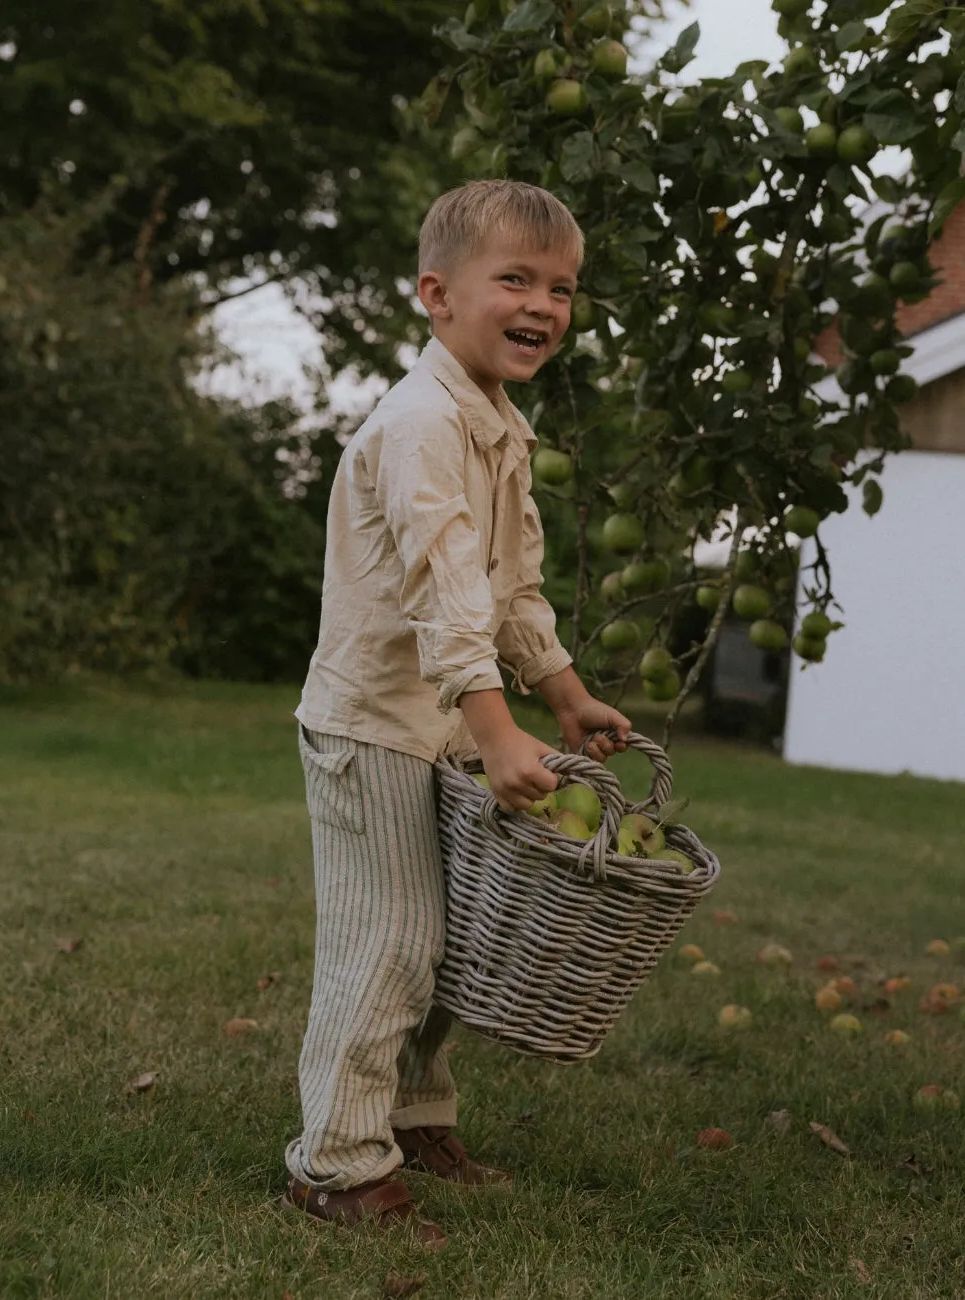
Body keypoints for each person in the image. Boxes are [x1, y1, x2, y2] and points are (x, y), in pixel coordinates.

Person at [282, 179, 631, 1250]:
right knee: (388, 939)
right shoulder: (424, 424)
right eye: (514, 279)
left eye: (561, 287)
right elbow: (442, 596)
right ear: (436, 294)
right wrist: (494, 728)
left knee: (453, 944)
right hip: (375, 726)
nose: (543, 304)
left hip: (441, 723)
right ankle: (335, 1162)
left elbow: (510, 591)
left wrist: (562, 694)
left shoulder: (498, 426)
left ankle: (413, 1118)